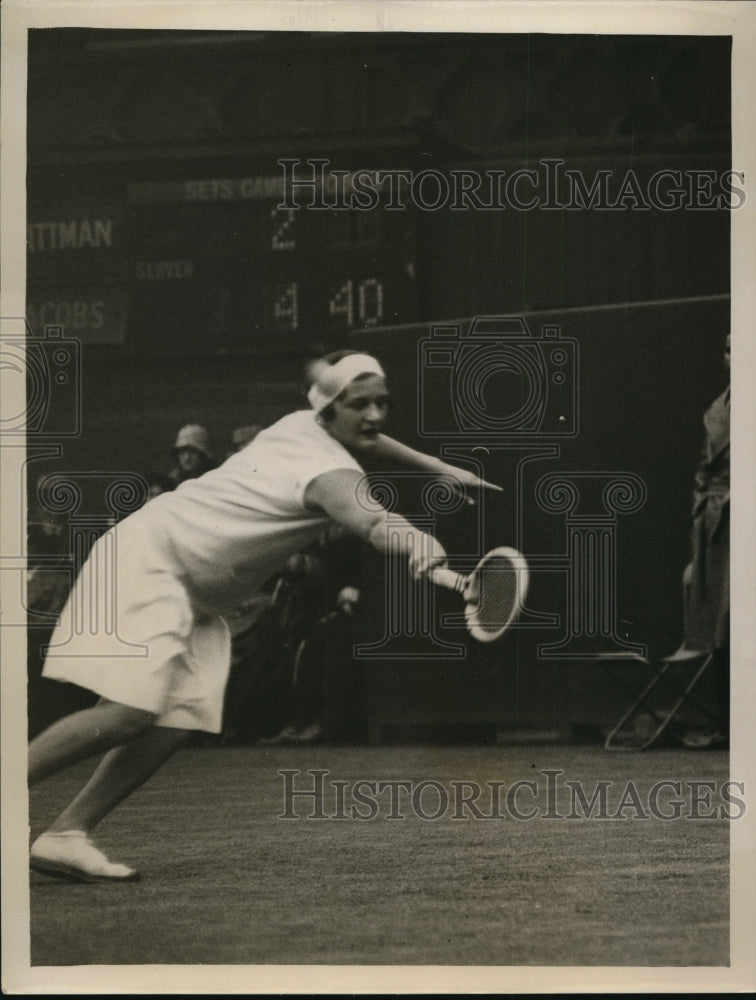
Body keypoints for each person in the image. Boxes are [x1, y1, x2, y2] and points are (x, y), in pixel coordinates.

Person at [28, 350, 498, 883]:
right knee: (131, 712)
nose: (374, 416)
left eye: (382, 404)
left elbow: (358, 425)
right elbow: (373, 519)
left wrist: (435, 466)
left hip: (192, 591)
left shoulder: (299, 423)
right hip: (153, 558)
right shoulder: (329, 474)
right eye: (360, 404)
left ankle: (67, 833)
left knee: (178, 717)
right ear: (329, 411)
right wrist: (416, 539)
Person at [679, 334, 730, 747]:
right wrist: (700, 519)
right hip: (715, 531)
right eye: (728, 349)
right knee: (720, 630)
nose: (733, 356)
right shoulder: (717, 408)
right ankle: (729, 726)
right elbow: (703, 470)